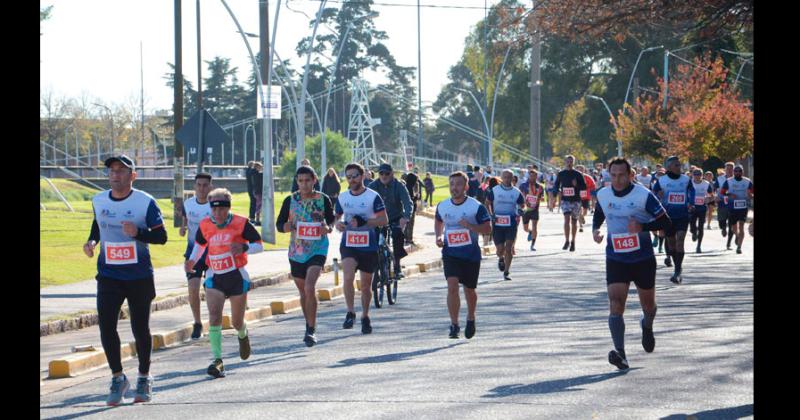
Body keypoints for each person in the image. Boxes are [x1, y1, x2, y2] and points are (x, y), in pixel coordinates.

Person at [83, 155, 167, 405]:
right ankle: (118, 377)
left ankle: (144, 376)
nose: (115, 175)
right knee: (106, 326)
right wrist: (92, 242)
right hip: (109, 275)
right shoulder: (98, 200)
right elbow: (98, 226)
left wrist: (138, 233)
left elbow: (161, 236)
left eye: (121, 170)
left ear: (133, 175)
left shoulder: (145, 202)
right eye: (111, 170)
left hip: (138, 276)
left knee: (139, 328)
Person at [592, 157, 671, 370]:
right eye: (613, 175)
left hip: (642, 259)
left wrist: (643, 227)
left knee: (648, 306)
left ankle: (647, 325)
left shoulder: (643, 195)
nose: (617, 180)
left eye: (621, 175)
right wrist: (596, 230)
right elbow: (599, 213)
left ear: (630, 176)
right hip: (616, 258)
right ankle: (620, 354)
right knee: (616, 304)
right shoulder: (603, 194)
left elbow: (666, 223)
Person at [184, 188, 263, 378]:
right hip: (215, 276)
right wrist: (192, 260)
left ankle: (243, 334)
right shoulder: (205, 225)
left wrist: (244, 247)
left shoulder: (241, 223)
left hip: (236, 276)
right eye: (214, 209)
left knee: (236, 321)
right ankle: (217, 360)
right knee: (214, 315)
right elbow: (200, 245)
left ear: (228, 208)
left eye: (222, 209)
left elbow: (259, 245)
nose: (218, 213)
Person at [276, 166, 335, 346]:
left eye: (307, 180)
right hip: (297, 251)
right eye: (300, 181)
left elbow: (331, 220)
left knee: (310, 287)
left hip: (317, 249)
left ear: (314, 180)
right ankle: (308, 323)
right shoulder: (290, 200)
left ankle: (311, 329)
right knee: (303, 291)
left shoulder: (322, 199)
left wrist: (328, 228)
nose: (304, 184)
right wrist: (288, 227)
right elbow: (279, 225)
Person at [435, 171, 493, 339]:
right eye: (452, 184)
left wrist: (470, 226)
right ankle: (454, 324)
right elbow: (438, 220)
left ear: (466, 186)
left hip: (471, 255)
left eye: (459, 184)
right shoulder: (443, 205)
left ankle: (471, 317)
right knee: (452, 287)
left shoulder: (475, 206)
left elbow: (488, 228)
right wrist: (438, 236)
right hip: (450, 253)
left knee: (469, 290)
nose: (455, 188)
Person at [335, 163, 388, 334]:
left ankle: (365, 315)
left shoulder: (373, 196)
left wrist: (365, 222)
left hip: (368, 245)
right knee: (348, 276)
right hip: (349, 244)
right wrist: (339, 224)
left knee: (366, 286)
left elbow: (383, 220)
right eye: (348, 177)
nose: (352, 180)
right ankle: (350, 312)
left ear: (363, 175)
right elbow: (335, 219)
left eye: (355, 176)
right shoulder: (343, 197)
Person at [179, 173, 213, 340]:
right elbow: (186, 218)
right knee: (193, 288)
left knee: (211, 290)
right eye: (198, 185)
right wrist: (183, 228)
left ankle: (214, 321)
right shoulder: (188, 203)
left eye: (205, 185)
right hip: (193, 252)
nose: (201, 189)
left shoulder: (215, 205)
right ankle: (197, 323)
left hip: (213, 253)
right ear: (194, 187)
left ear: (210, 187)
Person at [652, 156, 695, 284]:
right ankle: (676, 265)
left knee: (680, 240)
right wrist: (657, 196)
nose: (679, 167)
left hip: (682, 215)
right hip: (667, 216)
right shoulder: (662, 180)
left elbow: (692, 191)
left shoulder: (686, 179)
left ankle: (677, 271)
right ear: (669, 167)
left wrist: (691, 203)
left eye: (679, 165)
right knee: (671, 243)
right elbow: (653, 194)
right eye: (676, 165)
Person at [368, 163, 413, 278]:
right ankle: (375, 266)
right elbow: (365, 201)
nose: (384, 176)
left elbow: (408, 203)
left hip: (395, 217)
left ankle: (397, 265)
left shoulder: (399, 186)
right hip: (378, 218)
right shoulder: (373, 185)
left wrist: (405, 217)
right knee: (373, 238)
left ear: (392, 174)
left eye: (387, 173)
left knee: (398, 234)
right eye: (381, 173)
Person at [486, 169, 525, 280]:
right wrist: (491, 214)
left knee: (508, 248)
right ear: (502, 178)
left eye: (509, 177)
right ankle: (500, 258)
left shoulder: (516, 192)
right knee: (499, 250)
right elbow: (487, 202)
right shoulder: (495, 190)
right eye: (505, 177)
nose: (507, 179)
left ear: (512, 178)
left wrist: (521, 210)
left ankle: (507, 271)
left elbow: (522, 204)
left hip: (511, 223)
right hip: (497, 223)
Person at [554, 155, 587, 252]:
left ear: (573, 163)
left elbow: (584, 187)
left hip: (576, 200)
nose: (569, 163)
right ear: (565, 162)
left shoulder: (578, 174)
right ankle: (567, 240)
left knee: (574, 222)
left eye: (571, 161)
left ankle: (573, 241)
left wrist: (577, 185)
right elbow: (556, 185)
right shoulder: (561, 174)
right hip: (565, 200)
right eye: (567, 161)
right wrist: (556, 193)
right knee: (566, 219)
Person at [720, 165, 754, 254]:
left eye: (740, 171)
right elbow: (722, 192)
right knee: (733, 228)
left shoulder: (747, 181)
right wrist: (729, 195)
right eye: (736, 171)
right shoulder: (729, 181)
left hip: (743, 207)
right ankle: (737, 236)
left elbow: (752, 193)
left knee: (742, 226)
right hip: (732, 207)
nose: (738, 173)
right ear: (734, 172)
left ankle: (739, 247)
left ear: (743, 172)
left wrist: (751, 196)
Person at [519, 169, 545, 251]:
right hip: (526, 209)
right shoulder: (523, 185)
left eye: (534, 176)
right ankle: (529, 232)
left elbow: (542, 197)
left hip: (535, 209)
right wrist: (525, 202)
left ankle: (533, 245)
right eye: (531, 175)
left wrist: (538, 200)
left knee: (534, 226)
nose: (533, 177)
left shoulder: (540, 187)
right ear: (528, 176)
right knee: (525, 228)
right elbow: (520, 196)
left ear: (537, 176)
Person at [689, 169, 713, 253]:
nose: (697, 176)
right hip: (692, 207)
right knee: (692, 226)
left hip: (702, 207)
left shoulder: (706, 184)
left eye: (699, 174)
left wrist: (708, 198)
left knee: (701, 227)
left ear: (702, 175)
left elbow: (711, 195)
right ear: (693, 175)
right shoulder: (689, 183)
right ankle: (694, 232)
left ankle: (698, 246)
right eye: (695, 174)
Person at [714, 162, 735, 246]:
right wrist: (715, 196)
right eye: (728, 168)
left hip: (733, 203)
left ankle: (729, 242)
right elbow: (714, 189)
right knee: (721, 221)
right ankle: (723, 228)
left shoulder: (737, 178)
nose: (729, 170)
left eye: (731, 168)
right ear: (725, 169)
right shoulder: (720, 179)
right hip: (722, 202)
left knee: (732, 224)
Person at [404, 170, 423, 245]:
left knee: (407, 224)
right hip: (411, 209)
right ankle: (409, 239)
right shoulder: (410, 187)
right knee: (410, 224)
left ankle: (406, 238)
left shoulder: (406, 186)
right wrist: (417, 197)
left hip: (406, 209)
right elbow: (411, 200)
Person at [576, 165, 596, 233]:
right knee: (579, 211)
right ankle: (581, 226)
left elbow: (593, 185)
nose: (580, 170)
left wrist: (588, 188)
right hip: (577, 197)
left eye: (582, 169)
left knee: (585, 211)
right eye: (579, 169)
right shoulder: (574, 177)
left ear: (584, 170)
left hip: (586, 196)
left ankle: (582, 217)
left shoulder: (588, 177)